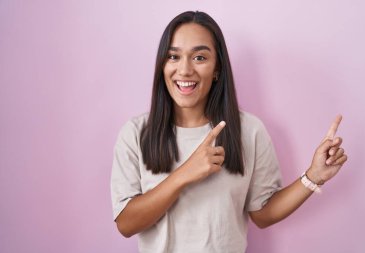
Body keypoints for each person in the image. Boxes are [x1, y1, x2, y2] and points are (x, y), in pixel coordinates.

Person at [111, 11, 347, 253]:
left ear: (217, 69)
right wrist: (183, 175)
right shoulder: (135, 133)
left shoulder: (248, 130)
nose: (184, 70)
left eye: (199, 57)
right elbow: (126, 224)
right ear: (162, 65)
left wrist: (313, 176)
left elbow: (262, 213)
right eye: (173, 56)